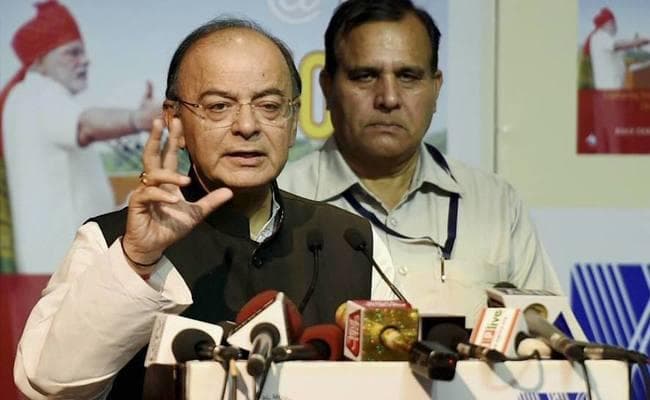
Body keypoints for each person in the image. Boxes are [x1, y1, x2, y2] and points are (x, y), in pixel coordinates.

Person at [14, 17, 394, 399]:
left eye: (269, 105)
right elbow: (46, 384)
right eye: (218, 106)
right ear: (174, 119)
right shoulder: (112, 240)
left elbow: (393, 385)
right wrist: (137, 260)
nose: (247, 125)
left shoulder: (353, 242)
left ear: (293, 120)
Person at [279, 0, 562, 326]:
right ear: (327, 88)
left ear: (436, 88)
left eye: (408, 76)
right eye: (366, 76)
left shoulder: (496, 204)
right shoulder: (278, 201)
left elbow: (545, 339)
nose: (388, 98)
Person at [0, 0, 160, 272]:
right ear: (38, 61)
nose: (85, 60)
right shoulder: (39, 93)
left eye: (83, 52)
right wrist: (139, 119)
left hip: (60, 266)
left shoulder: (30, 99)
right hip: (62, 270)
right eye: (72, 53)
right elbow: (87, 125)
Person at [583, 7, 650, 89]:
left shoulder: (603, 38)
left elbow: (621, 46)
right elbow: (619, 45)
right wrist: (637, 42)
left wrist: (636, 43)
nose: (616, 27)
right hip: (610, 88)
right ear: (609, 23)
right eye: (615, 24)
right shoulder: (600, 36)